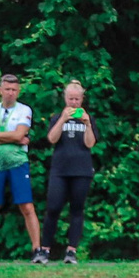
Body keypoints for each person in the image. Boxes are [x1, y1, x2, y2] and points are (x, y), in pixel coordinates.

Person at [0, 73, 40, 262]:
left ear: (18, 91)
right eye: (7, 89)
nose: (10, 93)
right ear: (0, 90)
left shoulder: (24, 110)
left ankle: (37, 249)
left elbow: (19, 134)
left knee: (26, 206)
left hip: (18, 163)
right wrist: (11, 137)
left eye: (14, 90)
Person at [39, 80, 97, 264]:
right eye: (71, 99)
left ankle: (71, 251)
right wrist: (63, 119)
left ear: (82, 100)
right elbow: (52, 139)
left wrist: (87, 124)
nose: (74, 103)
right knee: (53, 208)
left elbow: (90, 144)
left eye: (77, 99)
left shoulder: (88, 119)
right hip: (60, 169)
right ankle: (45, 250)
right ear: (65, 99)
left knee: (77, 209)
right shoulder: (57, 118)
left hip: (81, 169)